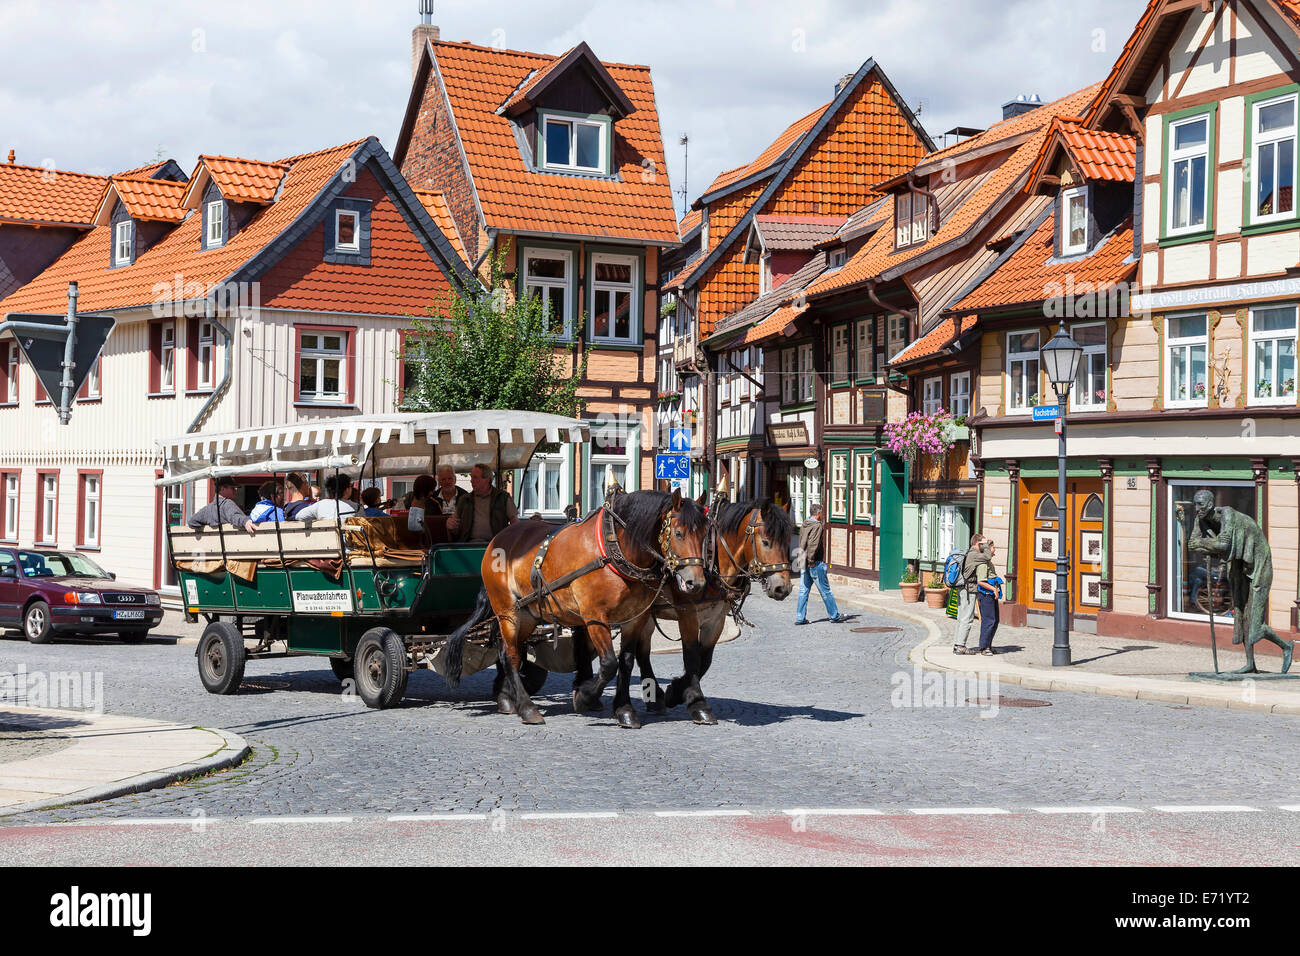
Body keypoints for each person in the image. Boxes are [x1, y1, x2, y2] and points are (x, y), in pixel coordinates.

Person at [793, 503, 846, 625]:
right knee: (825, 591)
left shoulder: (805, 524)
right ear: (818, 514)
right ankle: (834, 615)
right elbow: (813, 544)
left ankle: (800, 617)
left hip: (803, 561)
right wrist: (811, 561)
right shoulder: (817, 526)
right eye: (822, 513)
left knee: (803, 590)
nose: (823, 515)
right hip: (814, 562)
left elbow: (802, 542)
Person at [448, 463, 518, 542]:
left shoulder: (502, 497)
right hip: (468, 546)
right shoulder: (464, 500)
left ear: (487, 480)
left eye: (475, 477)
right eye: (471, 477)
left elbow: (515, 523)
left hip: (496, 546)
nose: (471, 481)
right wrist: (451, 525)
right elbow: (455, 525)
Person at [951, 533, 985, 655]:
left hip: (962, 588)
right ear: (977, 543)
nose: (984, 546)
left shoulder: (969, 553)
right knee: (967, 618)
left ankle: (957, 644)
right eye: (983, 543)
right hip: (968, 589)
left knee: (961, 617)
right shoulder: (975, 554)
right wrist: (987, 546)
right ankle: (961, 646)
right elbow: (988, 556)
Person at [188, 478, 257, 533]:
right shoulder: (228, 503)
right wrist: (245, 521)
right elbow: (235, 516)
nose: (236, 491)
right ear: (222, 489)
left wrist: (207, 528)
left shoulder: (207, 509)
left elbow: (192, 522)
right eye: (232, 488)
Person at [974, 539, 1002, 656]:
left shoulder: (989, 562)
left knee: (995, 620)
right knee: (988, 621)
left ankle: (988, 645)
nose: (994, 550)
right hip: (985, 595)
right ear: (987, 549)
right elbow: (980, 581)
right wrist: (993, 589)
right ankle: (984, 647)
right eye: (993, 547)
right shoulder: (983, 564)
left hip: (991, 595)